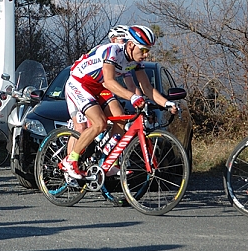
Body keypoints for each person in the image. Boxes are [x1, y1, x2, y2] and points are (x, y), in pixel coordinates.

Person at [61, 25, 179, 179]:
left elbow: (147, 88)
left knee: (121, 119)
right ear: (130, 45)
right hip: (79, 83)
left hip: (97, 86)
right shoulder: (113, 51)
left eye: (148, 51)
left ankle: (109, 161)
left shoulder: (135, 61)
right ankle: (70, 160)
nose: (145, 55)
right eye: (143, 50)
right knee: (99, 123)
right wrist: (133, 97)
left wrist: (167, 103)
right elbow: (109, 82)